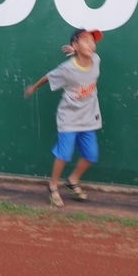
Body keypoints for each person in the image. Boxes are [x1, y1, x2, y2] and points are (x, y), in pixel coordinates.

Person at [24, 28, 103, 207]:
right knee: (64, 155)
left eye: (93, 41)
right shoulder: (67, 69)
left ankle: (72, 181)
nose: (91, 44)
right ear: (75, 44)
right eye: (85, 40)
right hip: (69, 119)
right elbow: (48, 77)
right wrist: (34, 87)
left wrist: (78, 51)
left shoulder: (96, 60)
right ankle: (53, 187)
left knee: (91, 155)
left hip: (89, 118)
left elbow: (86, 56)